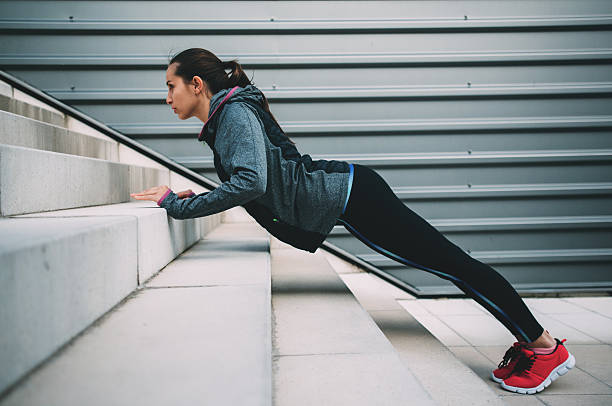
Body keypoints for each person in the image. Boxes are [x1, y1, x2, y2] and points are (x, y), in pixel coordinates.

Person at [131, 48, 575, 395]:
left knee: (451, 264)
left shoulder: (233, 114)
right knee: (449, 262)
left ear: (195, 84)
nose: (167, 98)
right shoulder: (228, 116)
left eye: (171, 87)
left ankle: (543, 346)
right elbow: (257, 179)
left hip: (351, 195)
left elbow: (251, 182)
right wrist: (198, 196)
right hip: (349, 194)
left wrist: (179, 205)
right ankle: (534, 340)